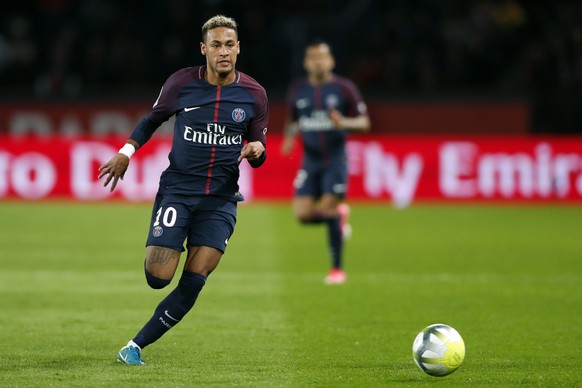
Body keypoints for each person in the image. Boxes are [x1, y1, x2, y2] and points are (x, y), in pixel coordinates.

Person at [98, 15, 268, 365]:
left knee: (196, 277)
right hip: (178, 191)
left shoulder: (254, 94)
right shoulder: (181, 84)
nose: (224, 51)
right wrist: (125, 151)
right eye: (217, 45)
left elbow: (258, 149)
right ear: (203, 49)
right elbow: (152, 119)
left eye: (230, 44)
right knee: (158, 278)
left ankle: (134, 347)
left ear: (239, 49)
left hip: (221, 200)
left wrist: (256, 150)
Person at [281, 40, 370, 285]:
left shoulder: (344, 88)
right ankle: (339, 216)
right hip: (309, 161)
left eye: (323, 57)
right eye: (313, 57)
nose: (318, 61)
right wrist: (289, 138)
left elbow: (364, 122)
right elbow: (293, 119)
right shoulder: (298, 89)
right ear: (306, 63)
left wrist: (345, 123)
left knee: (328, 209)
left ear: (331, 61)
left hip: (334, 160)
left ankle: (337, 269)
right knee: (302, 215)